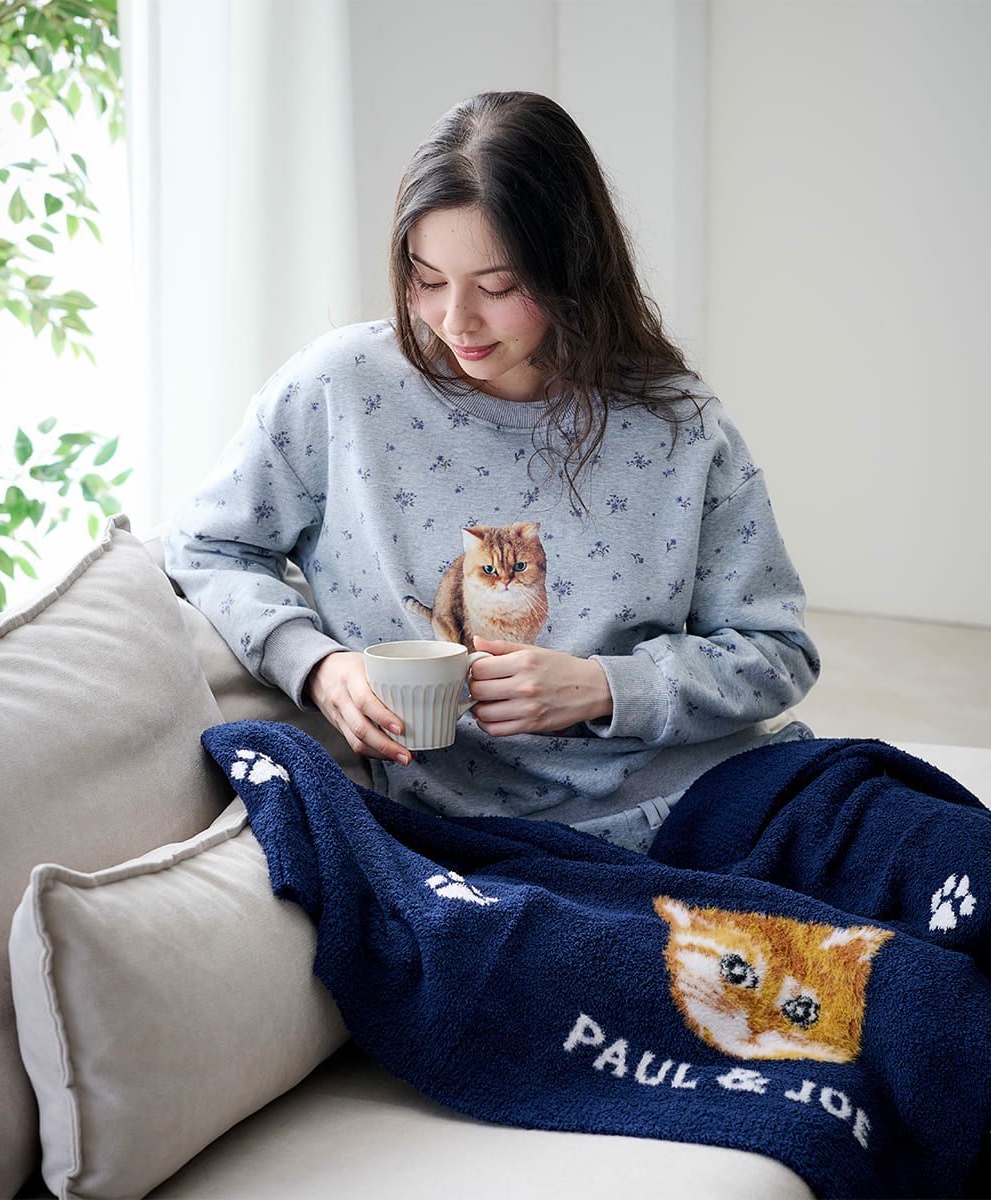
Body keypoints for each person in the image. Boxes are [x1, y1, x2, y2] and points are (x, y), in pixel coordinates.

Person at [163, 90, 821, 854]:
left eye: (499, 287)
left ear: (573, 269)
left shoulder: (679, 424)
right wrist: (317, 666)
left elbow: (778, 652)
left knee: (918, 837)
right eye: (426, 279)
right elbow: (207, 545)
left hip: (713, 802)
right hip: (481, 842)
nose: (455, 320)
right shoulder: (339, 389)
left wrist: (606, 688)